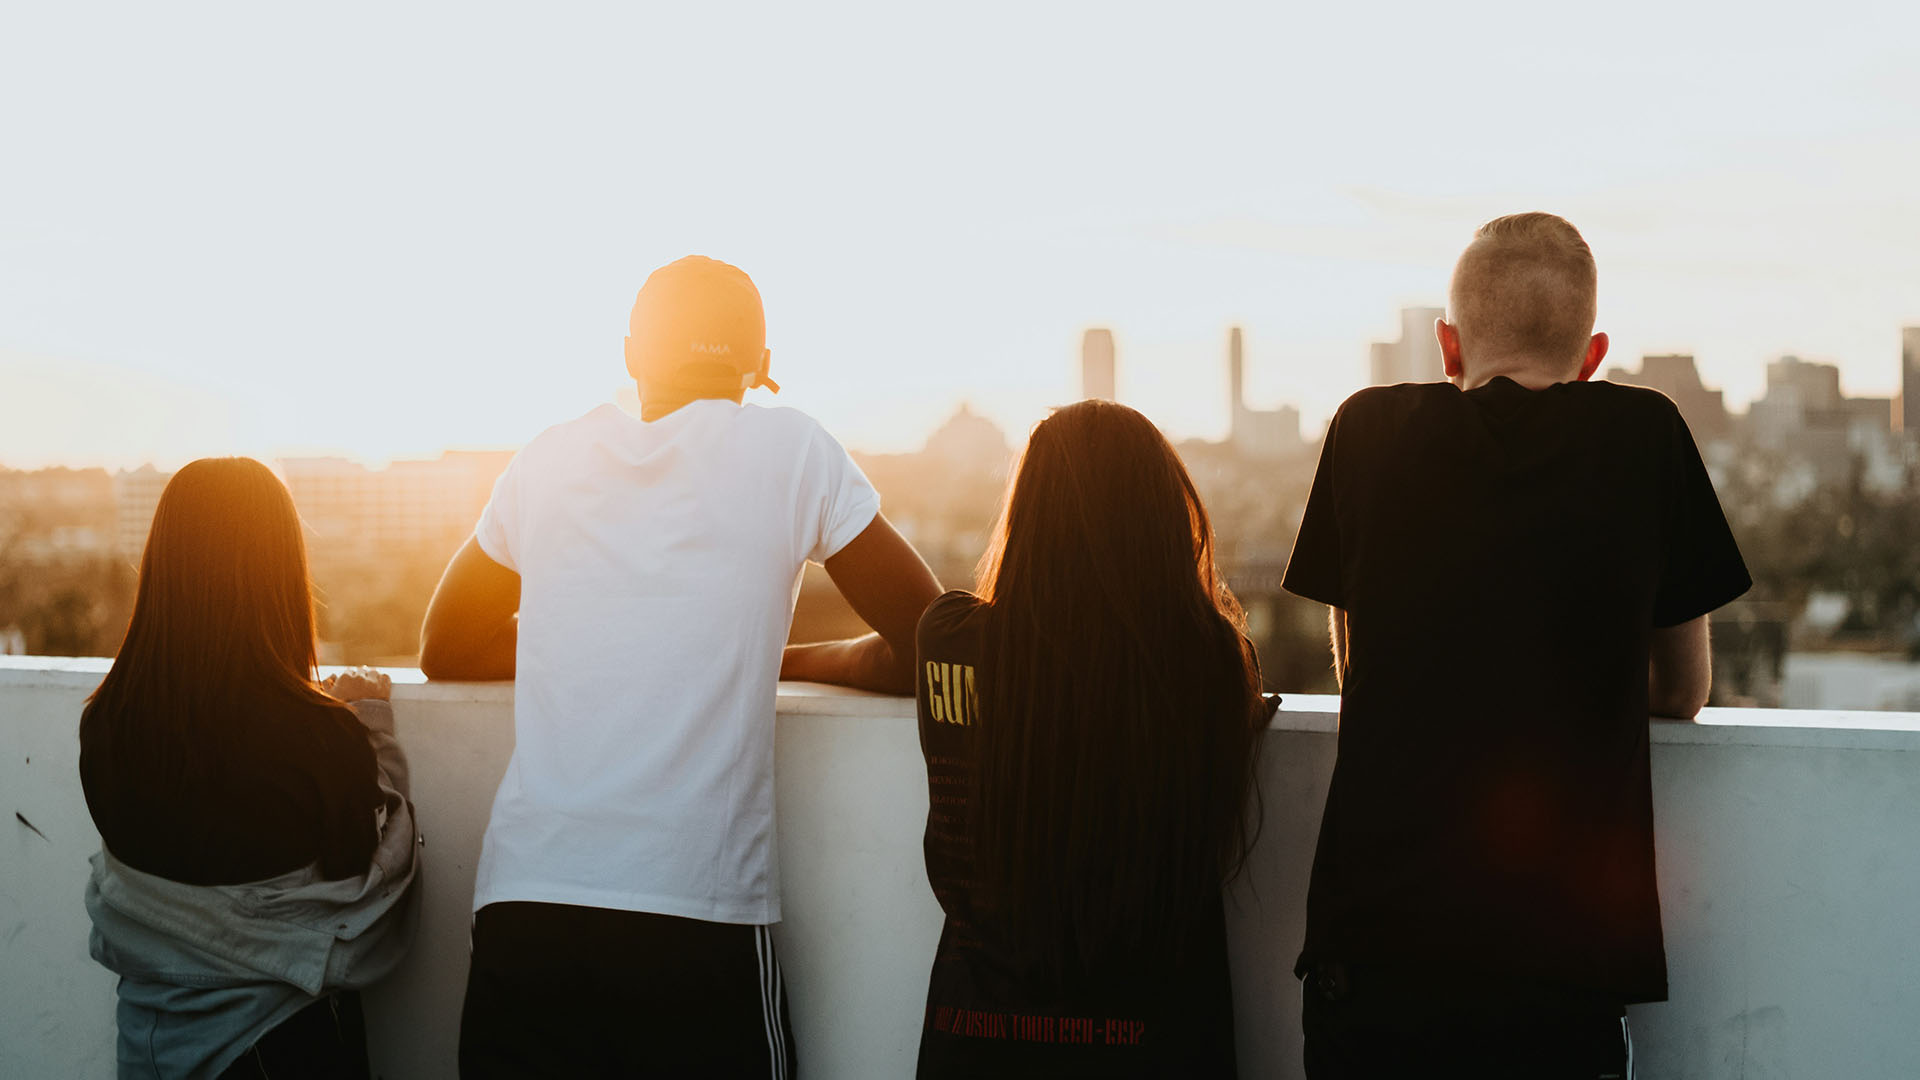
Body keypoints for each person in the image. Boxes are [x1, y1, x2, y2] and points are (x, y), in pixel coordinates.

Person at [422, 255, 942, 1078]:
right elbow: (932, 640)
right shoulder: (792, 450)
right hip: (693, 920)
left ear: (633, 354)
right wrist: (774, 657)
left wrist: (594, 635)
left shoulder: (551, 457)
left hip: (528, 908)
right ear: (760, 368)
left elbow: (443, 646)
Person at [1282, 212, 1752, 1077]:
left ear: (1448, 346)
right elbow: (1681, 691)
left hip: (1377, 956)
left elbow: (1362, 671)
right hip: (1560, 970)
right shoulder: (1647, 436)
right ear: (1595, 352)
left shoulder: (1365, 431)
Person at [912, 399, 1269, 1079]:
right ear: (1162, 516)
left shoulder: (949, 639)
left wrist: (790, 658)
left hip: (976, 1047)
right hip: (1157, 1049)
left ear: (1029, 514)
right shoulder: (1208, 664)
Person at [80, 457, 420, 1080]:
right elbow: (365, 891)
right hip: (276, 1048)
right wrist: (370, 725)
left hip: (147, 1046)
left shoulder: (105, 725)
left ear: (165, 565)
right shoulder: (320, 739)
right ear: (279, 571)